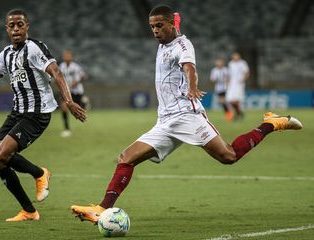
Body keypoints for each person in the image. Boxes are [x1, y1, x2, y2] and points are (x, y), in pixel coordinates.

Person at [70, 5, 302, 223]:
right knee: (126, 157)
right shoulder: (164, 42)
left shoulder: (183, 45)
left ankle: (271, 124)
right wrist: (170, 22)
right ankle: (102, 209)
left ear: (171, 24)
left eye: (159, 26)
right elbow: (174, 19)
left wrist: (192, 87)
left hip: (187, 116)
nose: (155, 31)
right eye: (152, 27)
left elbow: (189, 67)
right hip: (165, 121)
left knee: (229, 156)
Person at [0, 9, 86, 222]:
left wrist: (68, 101)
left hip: (37, 113)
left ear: (27, 27)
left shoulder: (34, 48)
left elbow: (56, 72)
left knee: (2, 155)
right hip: (17, 112)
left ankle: (40, 174)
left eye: (19, 25)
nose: (16, 29)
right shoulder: (5, 54)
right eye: (11, 25)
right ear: (6, 28)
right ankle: (29, 211)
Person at [58, 49, 88, 137]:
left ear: (71, 57)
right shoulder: (61, 66)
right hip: (67, 92)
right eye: (65, 55)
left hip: (77, 91)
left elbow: (84, 76)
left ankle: (84, 102)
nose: (66, 57)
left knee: (79, 108)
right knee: (63, 106)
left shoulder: (75, 67)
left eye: (68, 55)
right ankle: (66, 128)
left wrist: (76, 81)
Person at [226, 52, 249, 120]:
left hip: (239, 84)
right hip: (232, 84)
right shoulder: (231, 63)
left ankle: (237, 114)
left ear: (239, 56)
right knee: (230, 100)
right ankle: (239, 113)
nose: (235, 57)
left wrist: (243, 80)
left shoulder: (242, 63)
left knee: (236, 100)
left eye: (236, 56)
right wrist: (228, 81)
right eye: (234, 56)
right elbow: (229, 74)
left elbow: (246, 72)